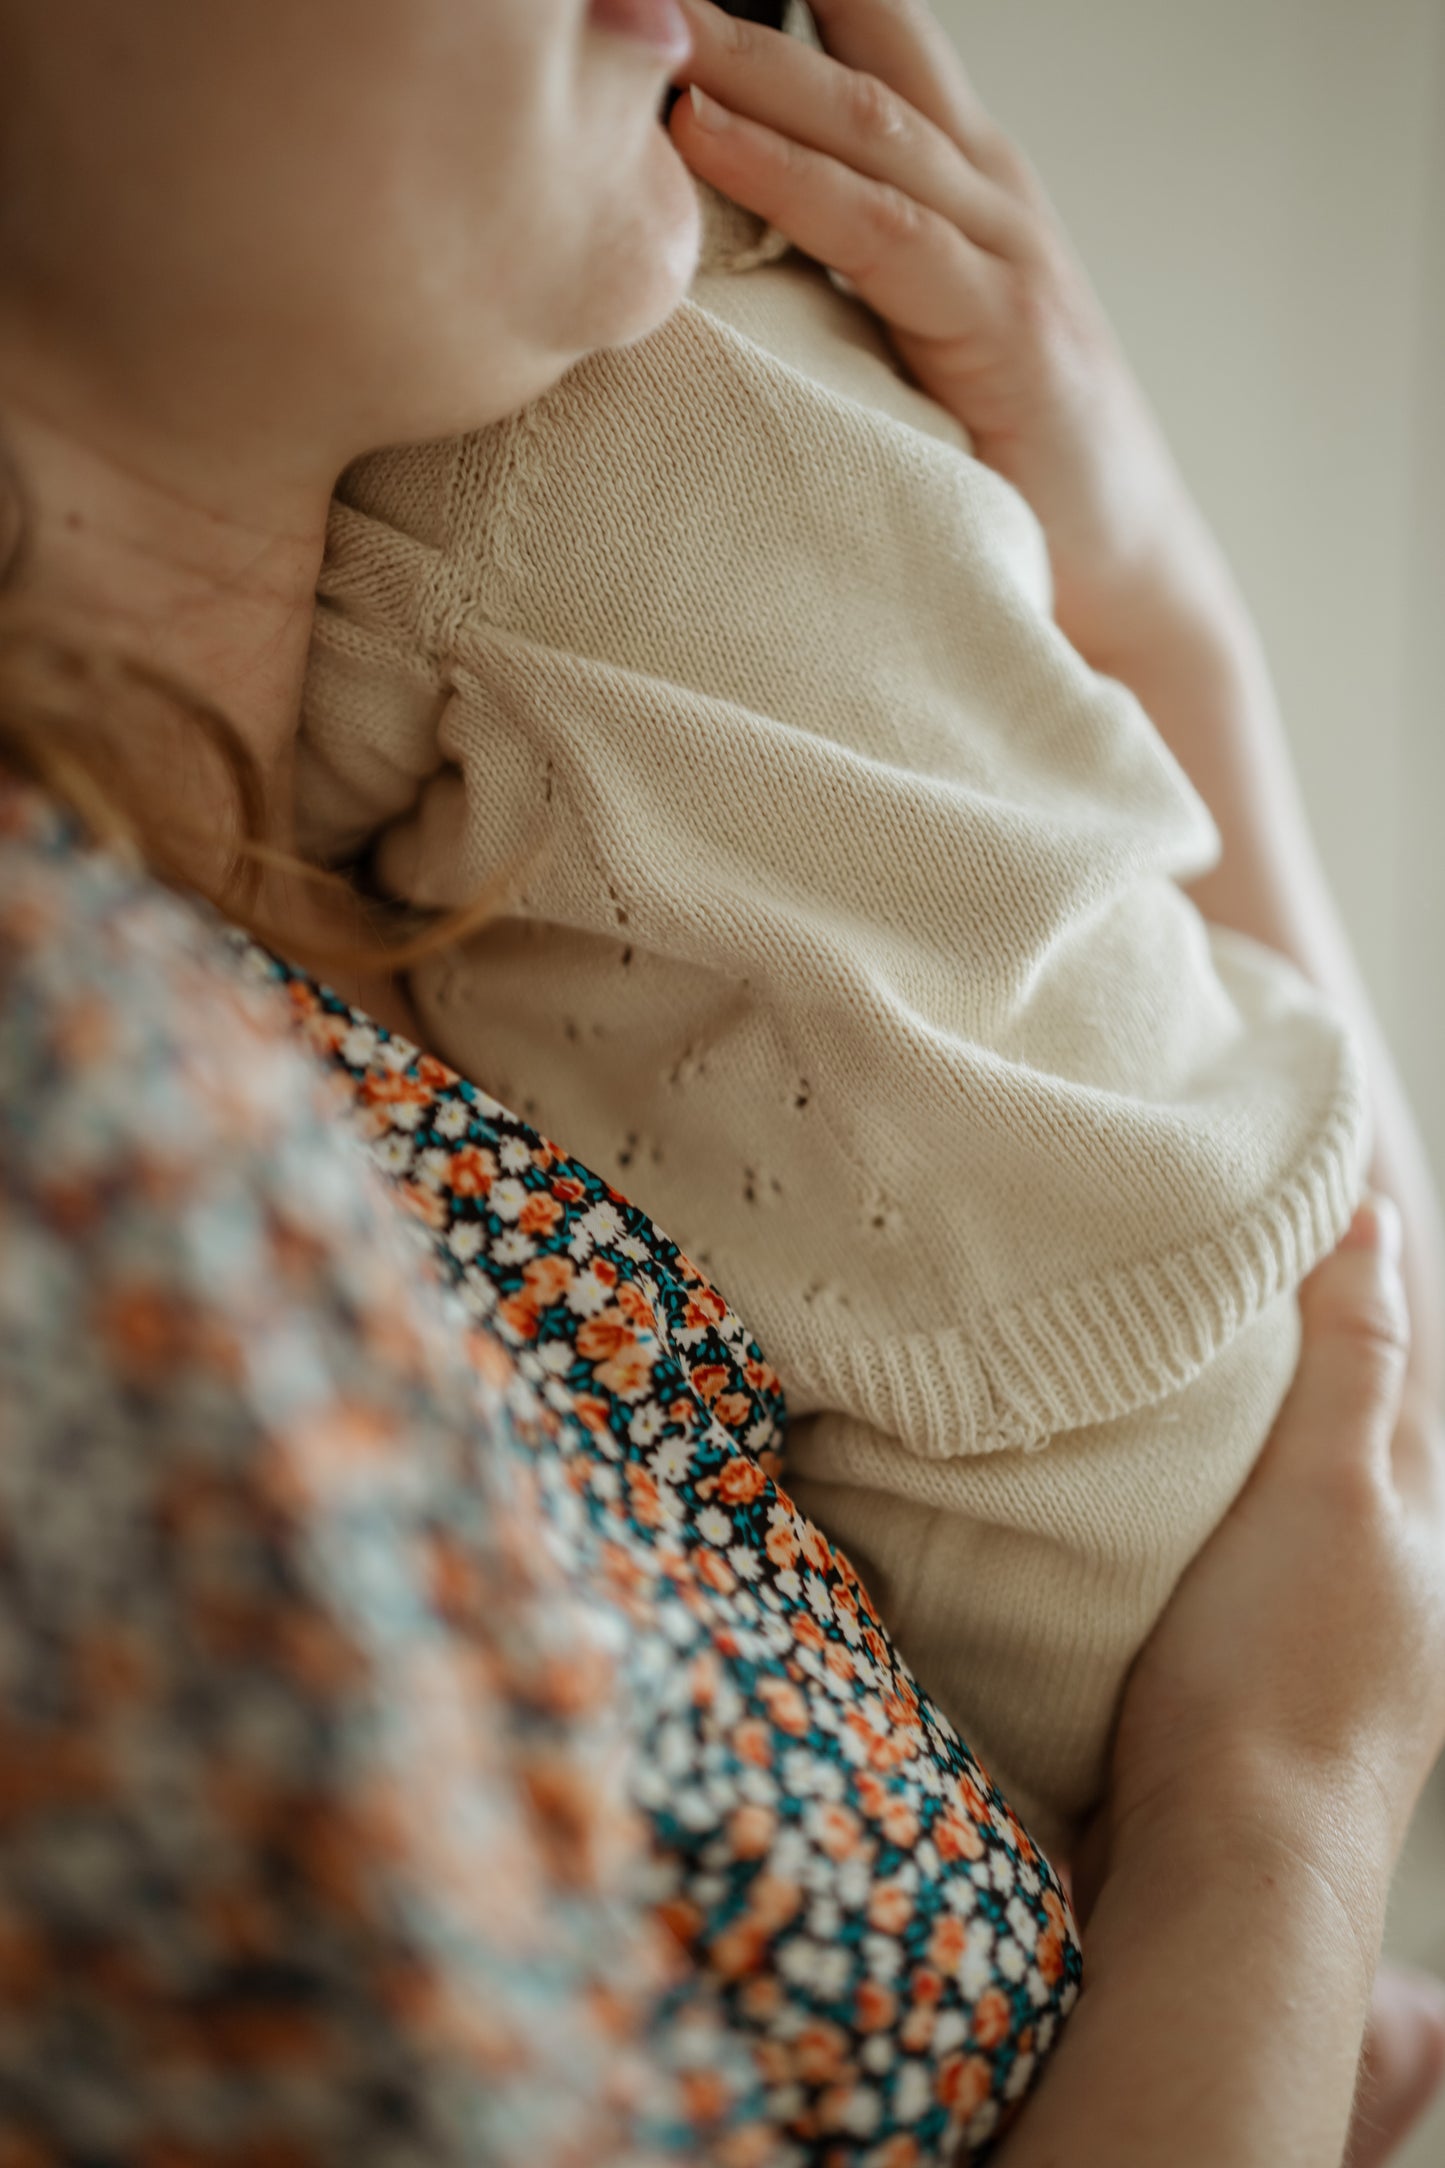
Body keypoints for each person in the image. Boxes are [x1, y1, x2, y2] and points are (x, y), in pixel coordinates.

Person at [0, 2, 1443, 2164]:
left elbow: (1345, 1379)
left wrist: (1124, 561)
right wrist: (1275, 1827)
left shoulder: (442, 937)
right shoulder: (76, 1110)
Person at [293, 0, 1445, 1853]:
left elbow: (257, 835)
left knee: (1065, 1866)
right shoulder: (850, 310)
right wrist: (1143, 565)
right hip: (1265, 1150)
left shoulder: (459, 455)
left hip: (1018, 1428)